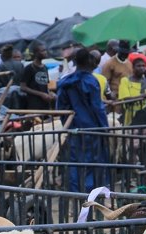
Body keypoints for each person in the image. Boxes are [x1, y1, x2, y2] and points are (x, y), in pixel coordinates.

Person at [56, 49, 109, 192]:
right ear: (89, 61)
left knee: (75, 162)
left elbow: (60, 107)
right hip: (92, 130)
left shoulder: (64, 82)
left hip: (73, 129)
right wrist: (106, 129)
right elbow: (98, 108)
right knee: (94, 162)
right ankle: (92, 196)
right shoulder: (91, 81)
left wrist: (67, 125)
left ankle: (76, 195)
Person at [118, 55, 146, 126]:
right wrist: (145, 95)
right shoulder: (125, 80)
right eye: (138, 66)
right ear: (133, 68)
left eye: (143, 66)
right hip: (129, 115)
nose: (141, 68)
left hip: (143, 115)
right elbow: (126, 99)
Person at [21, 41, 54, 111]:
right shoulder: (29, 68)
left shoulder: (45, 67)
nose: (45, 52)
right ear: (36, 53)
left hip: (45, 105)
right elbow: (23, 87)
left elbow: (45, 85)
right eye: (42, 51)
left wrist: (50, 94)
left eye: (45, 50)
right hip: (34, 105)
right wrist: (41, 94)